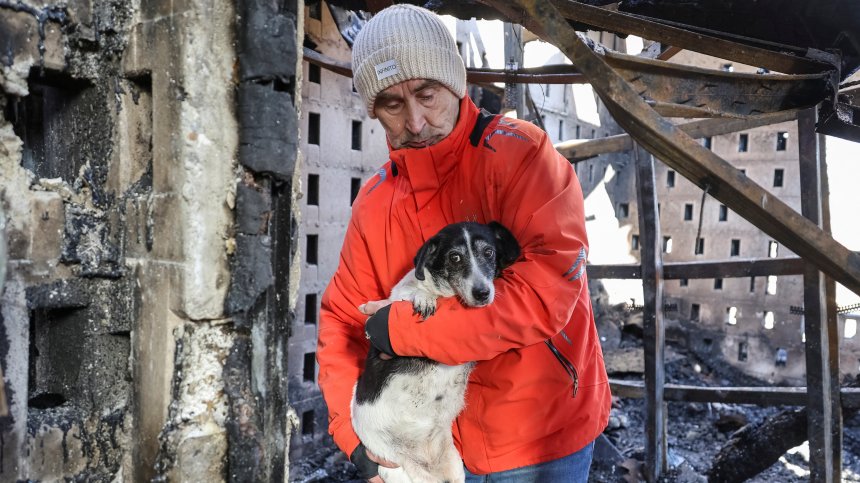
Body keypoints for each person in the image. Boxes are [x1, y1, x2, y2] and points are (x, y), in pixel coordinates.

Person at [317, 4, 611, 482]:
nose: (415, 121)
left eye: (426, 94)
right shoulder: (373, 202)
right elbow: (342, 324)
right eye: (391, 104)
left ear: (455, 82)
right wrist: (355, 439)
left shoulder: (523, 155)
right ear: (374, 112)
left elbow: (544, 293)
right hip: (428, 447)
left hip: (538, 439)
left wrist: (407, 331)